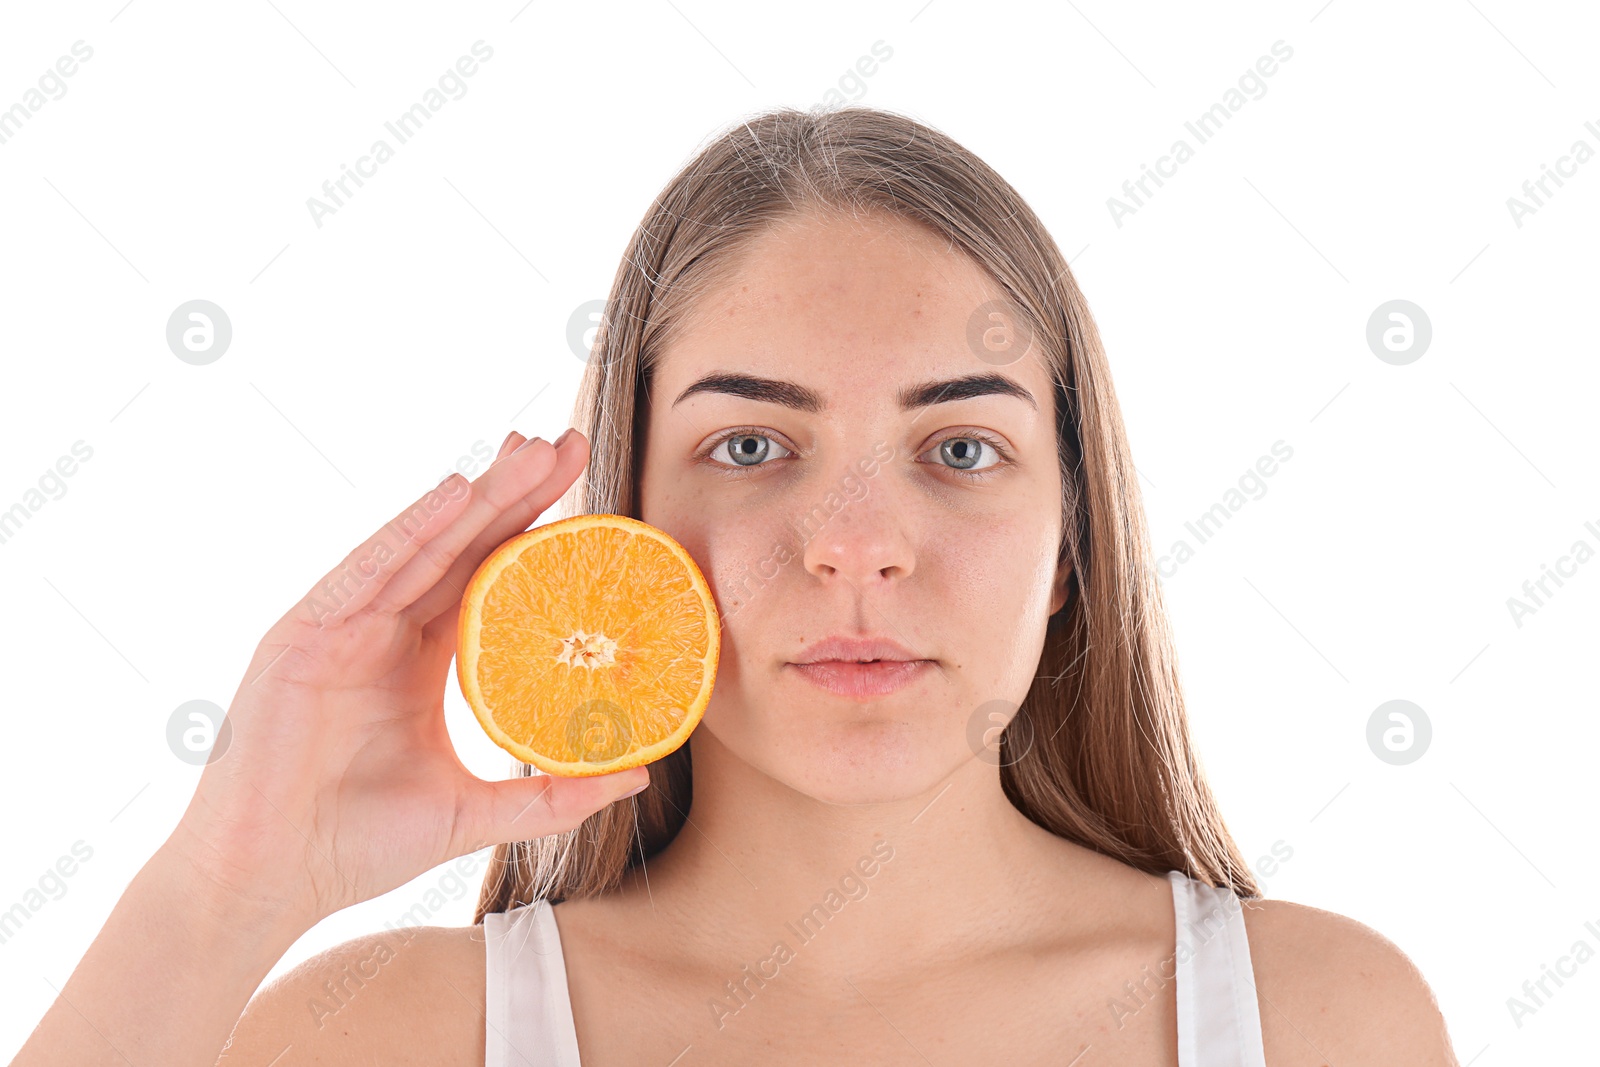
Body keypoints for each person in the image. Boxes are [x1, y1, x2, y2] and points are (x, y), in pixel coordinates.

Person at [11, 105, 1459, 1066]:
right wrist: (226, 887)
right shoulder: (388, 1037)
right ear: (627, 522)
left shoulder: (1316, 1022)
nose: (854, 542)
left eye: (961, 446)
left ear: (1074, 539)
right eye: (752, 444)